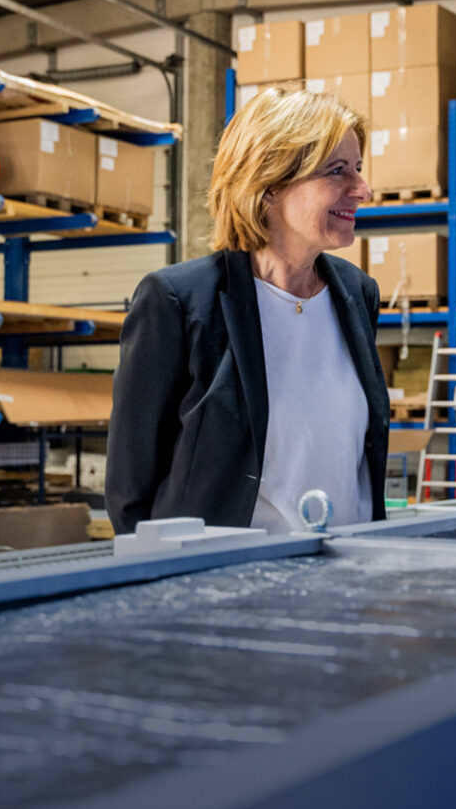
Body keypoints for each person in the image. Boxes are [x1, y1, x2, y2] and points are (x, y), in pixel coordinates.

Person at [107, 87, 388, 534]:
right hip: (223, 580)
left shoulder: (357, 294)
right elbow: (130, 487)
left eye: (358, 169)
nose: (363, 190)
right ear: (269, 184)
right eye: (338, 172)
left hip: (344, 572)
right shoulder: (178, 300)